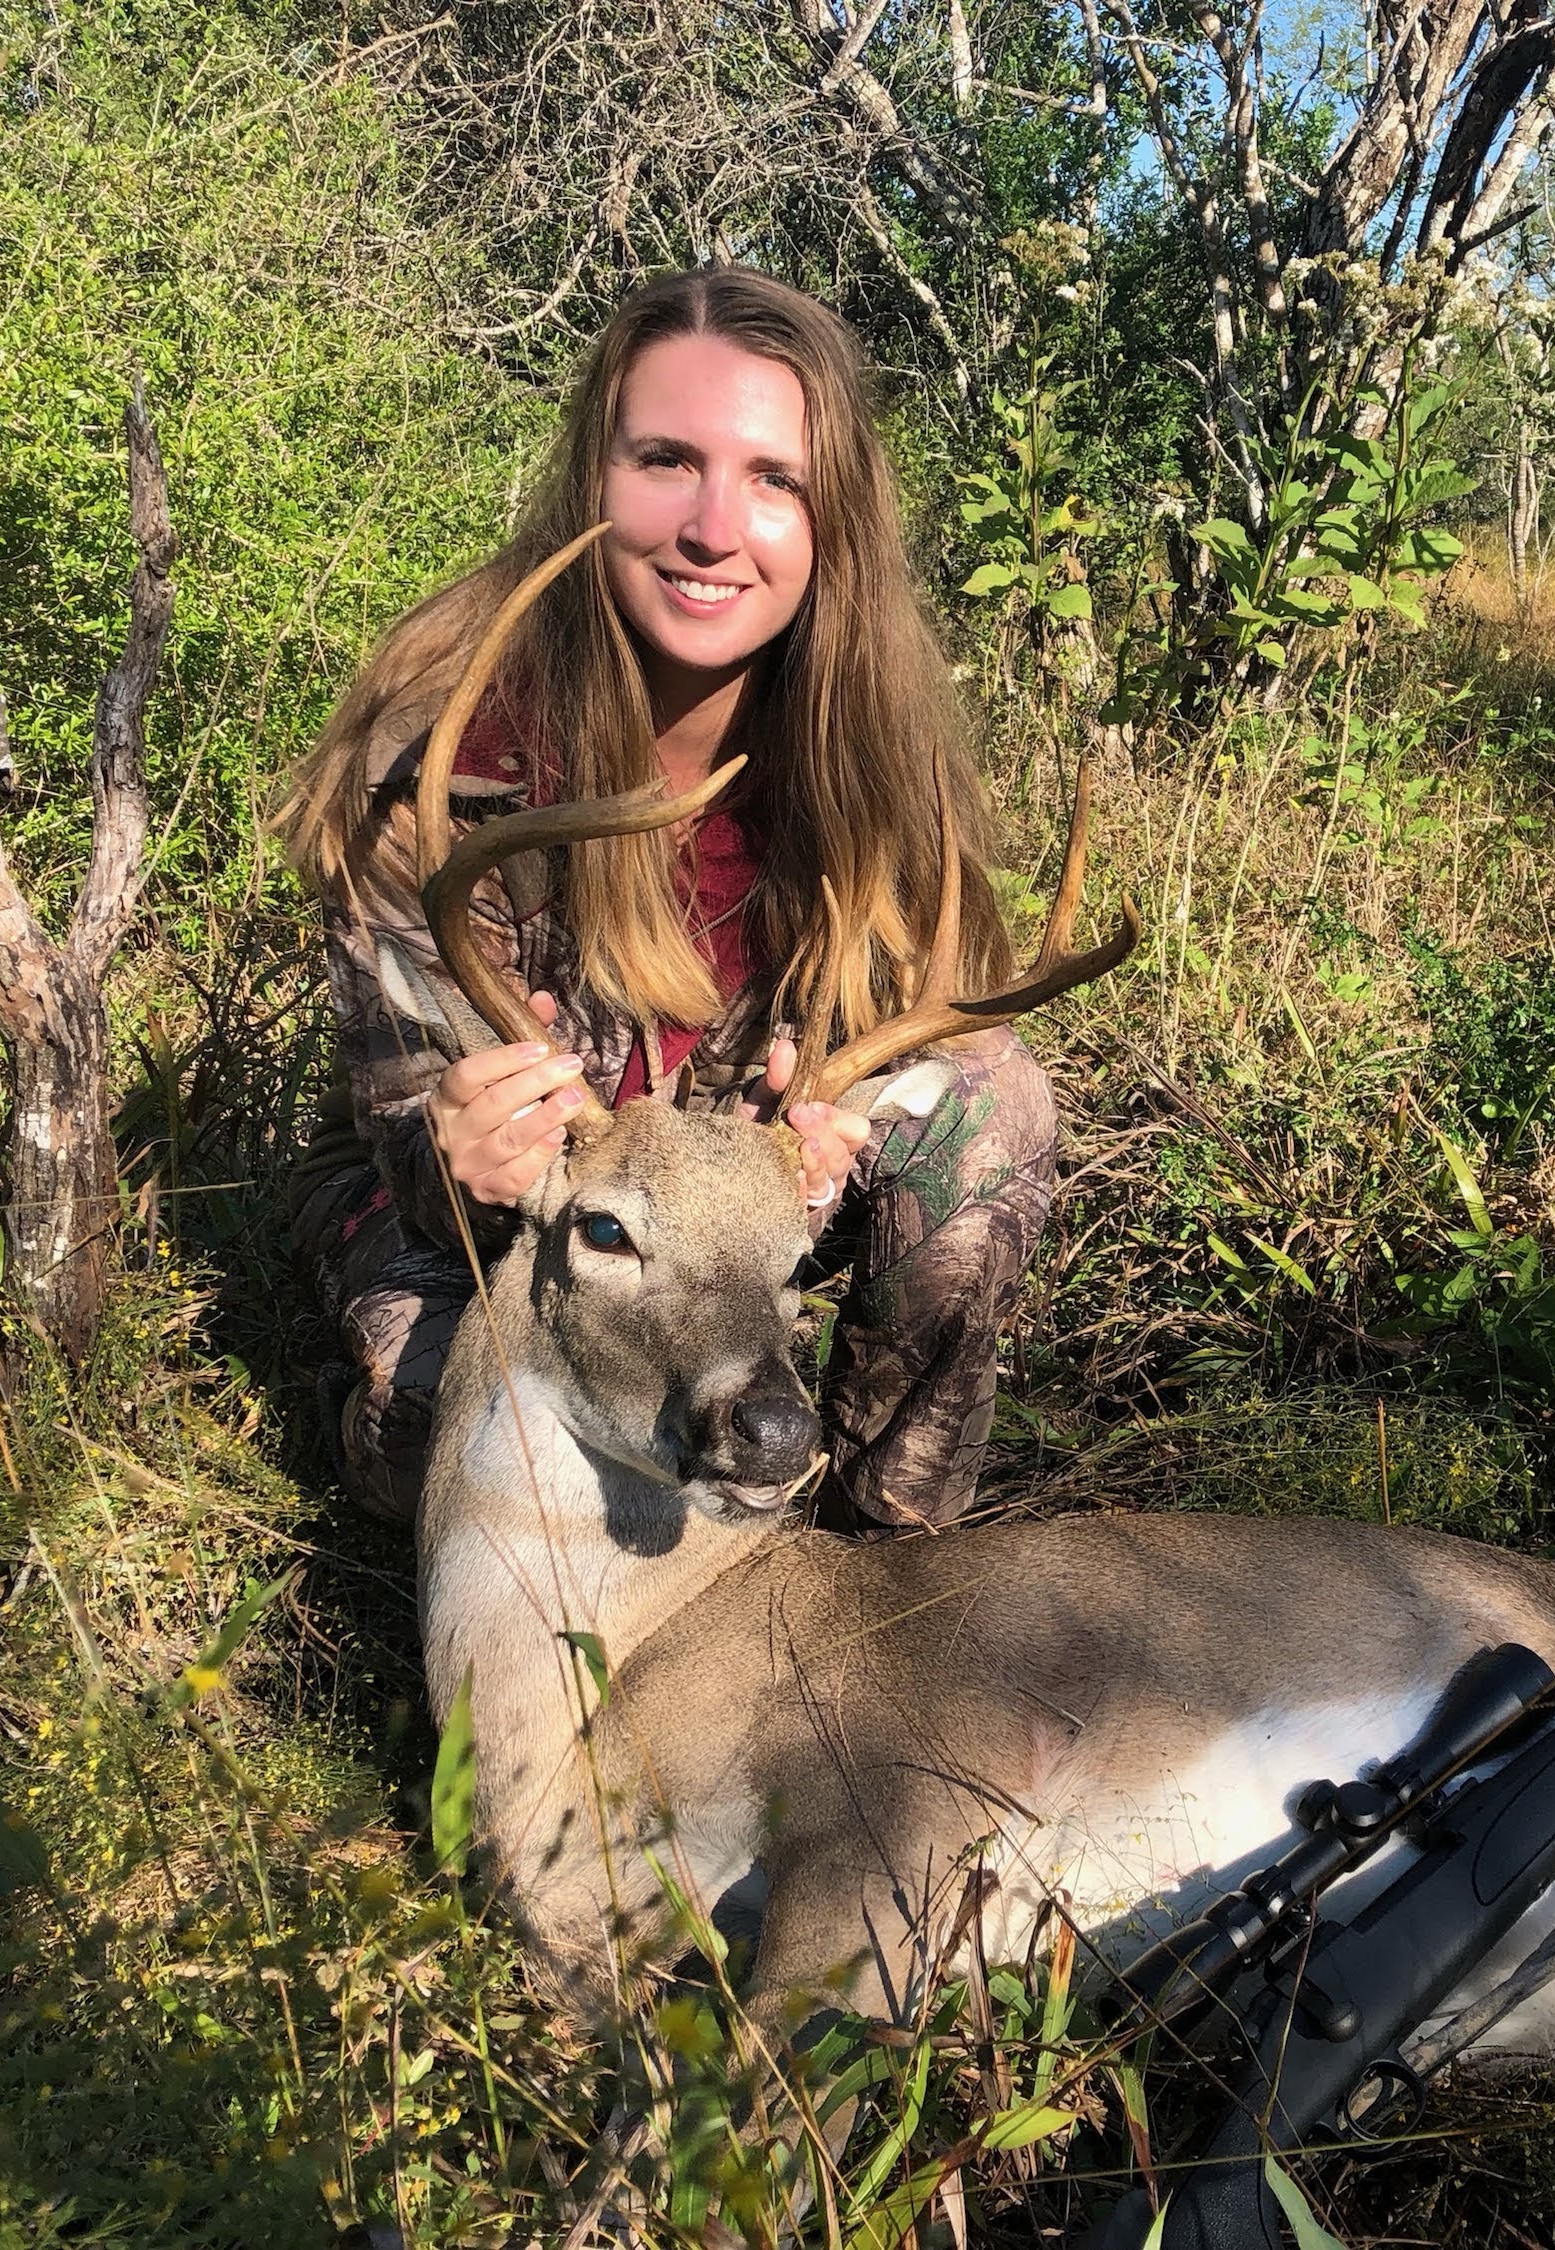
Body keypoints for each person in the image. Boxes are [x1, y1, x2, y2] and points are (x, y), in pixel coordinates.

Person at [272, 269, 1058, 1533]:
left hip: (739, 1210)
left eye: (772, 480)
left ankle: (877, 1557)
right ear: (595, 477)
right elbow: (399, 1112)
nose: (712, 527)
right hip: (505, 1212)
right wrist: (454, 1156)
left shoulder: (870, 755)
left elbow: (931, 1022)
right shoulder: (439, 767)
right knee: (427, 1435)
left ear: (828, 521)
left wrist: (831, 1122)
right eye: (664, 461)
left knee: (987, 1111)